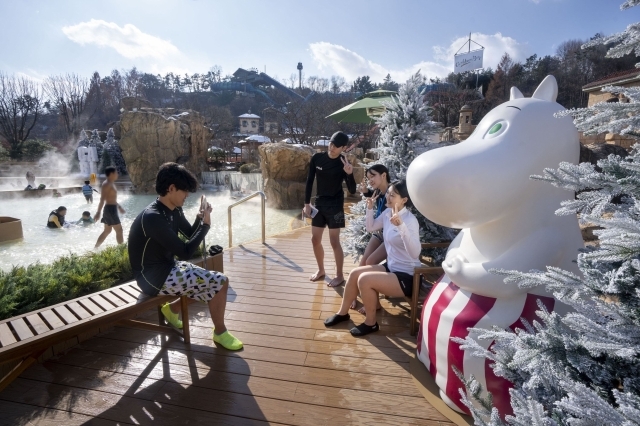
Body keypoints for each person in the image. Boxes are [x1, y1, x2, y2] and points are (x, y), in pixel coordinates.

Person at [128, 162, 243, 351]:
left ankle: (172, 310)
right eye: (185, 191)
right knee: (220, 282)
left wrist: (199, 218)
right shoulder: (153, 217)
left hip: (167, 268)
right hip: (151, 278)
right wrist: (206, 226)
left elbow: (189, 234)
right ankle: (220, 333)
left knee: (213, 283)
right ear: (171, 188)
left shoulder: (174, 210)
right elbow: (186, 251)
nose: (187, 195)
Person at [323, 180, 421, 336]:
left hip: (408, 276)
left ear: (404, 200)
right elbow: (371, 228)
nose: (388, 197)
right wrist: (370, 209)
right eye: (388, 193)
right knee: (356, 273)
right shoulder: (388, 213)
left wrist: (401, 226)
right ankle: (343, 313)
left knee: (365, 280)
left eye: (393, 195)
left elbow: (415, 253)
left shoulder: (410, 221)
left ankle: (371, 323)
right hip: (392, 267)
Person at [304, 131, 357, 287]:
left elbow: (352, 190)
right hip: (319, 203)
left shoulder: (343, 164)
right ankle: (321, 270)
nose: (332, 147)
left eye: (336, 146)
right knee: (315, 239)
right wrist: (307, 203)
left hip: (336, 205)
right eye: (331, 143)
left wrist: (349, 174)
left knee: (334, 241)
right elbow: (309, 181)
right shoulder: (317, 158)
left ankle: (339, 275)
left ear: (344, 148)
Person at [351, 164, 391, 311]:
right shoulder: (379, 191)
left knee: (371, 261)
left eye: (373, 176)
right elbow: (373, 198)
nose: (370, 180)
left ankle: (375, 304)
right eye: (369, 178)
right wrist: (366, 192)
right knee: (363, 263)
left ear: (384, 175)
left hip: (390, 236)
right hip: (379, 233)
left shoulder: (392, 194)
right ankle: (353, 296)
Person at [93, 166, 125, 248]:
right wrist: (98, 212)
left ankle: (95, 248)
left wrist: (119, 206)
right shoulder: (106, 184)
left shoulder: (111, 183)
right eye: (116, 173)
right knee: (119, 230)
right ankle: (122, 249)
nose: (117, 174)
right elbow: (102, 199)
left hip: (111, 208)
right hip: (110, 210)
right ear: (111, 174)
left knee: (107, 231)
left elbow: (112, 198)